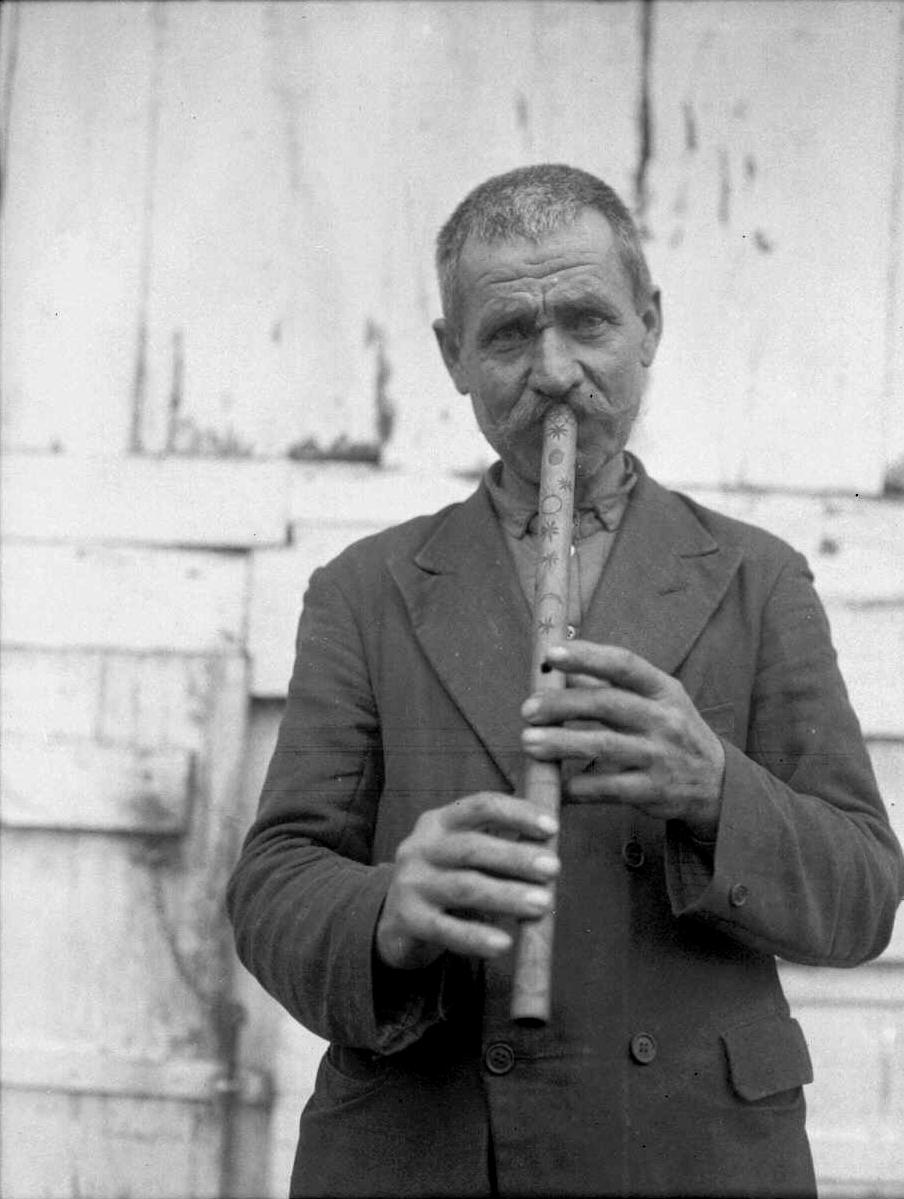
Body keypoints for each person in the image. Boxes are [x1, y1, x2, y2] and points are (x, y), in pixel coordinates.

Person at [227, 164, 904, 1198]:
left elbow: (862, 894)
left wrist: (715, 787)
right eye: (507, 334)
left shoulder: (758, 578)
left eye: (587, 321)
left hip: (687, 1157)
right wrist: (387, 910)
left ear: (648, 324)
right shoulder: (364, 589)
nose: (552, 371)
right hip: (432, 1155)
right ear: (453, 355)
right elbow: (274, 882)